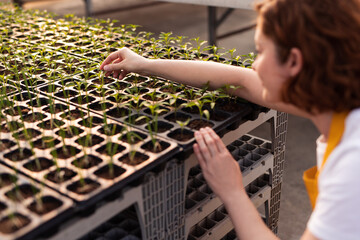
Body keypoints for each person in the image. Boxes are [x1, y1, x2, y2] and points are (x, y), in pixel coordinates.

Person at [100, 0, 360, 239]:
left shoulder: (352, 163)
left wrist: (232, 191)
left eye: (260, 51)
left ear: (293, 61)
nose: (255, 65)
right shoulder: (337, 101)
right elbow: (239, 80)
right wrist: (144, 64)